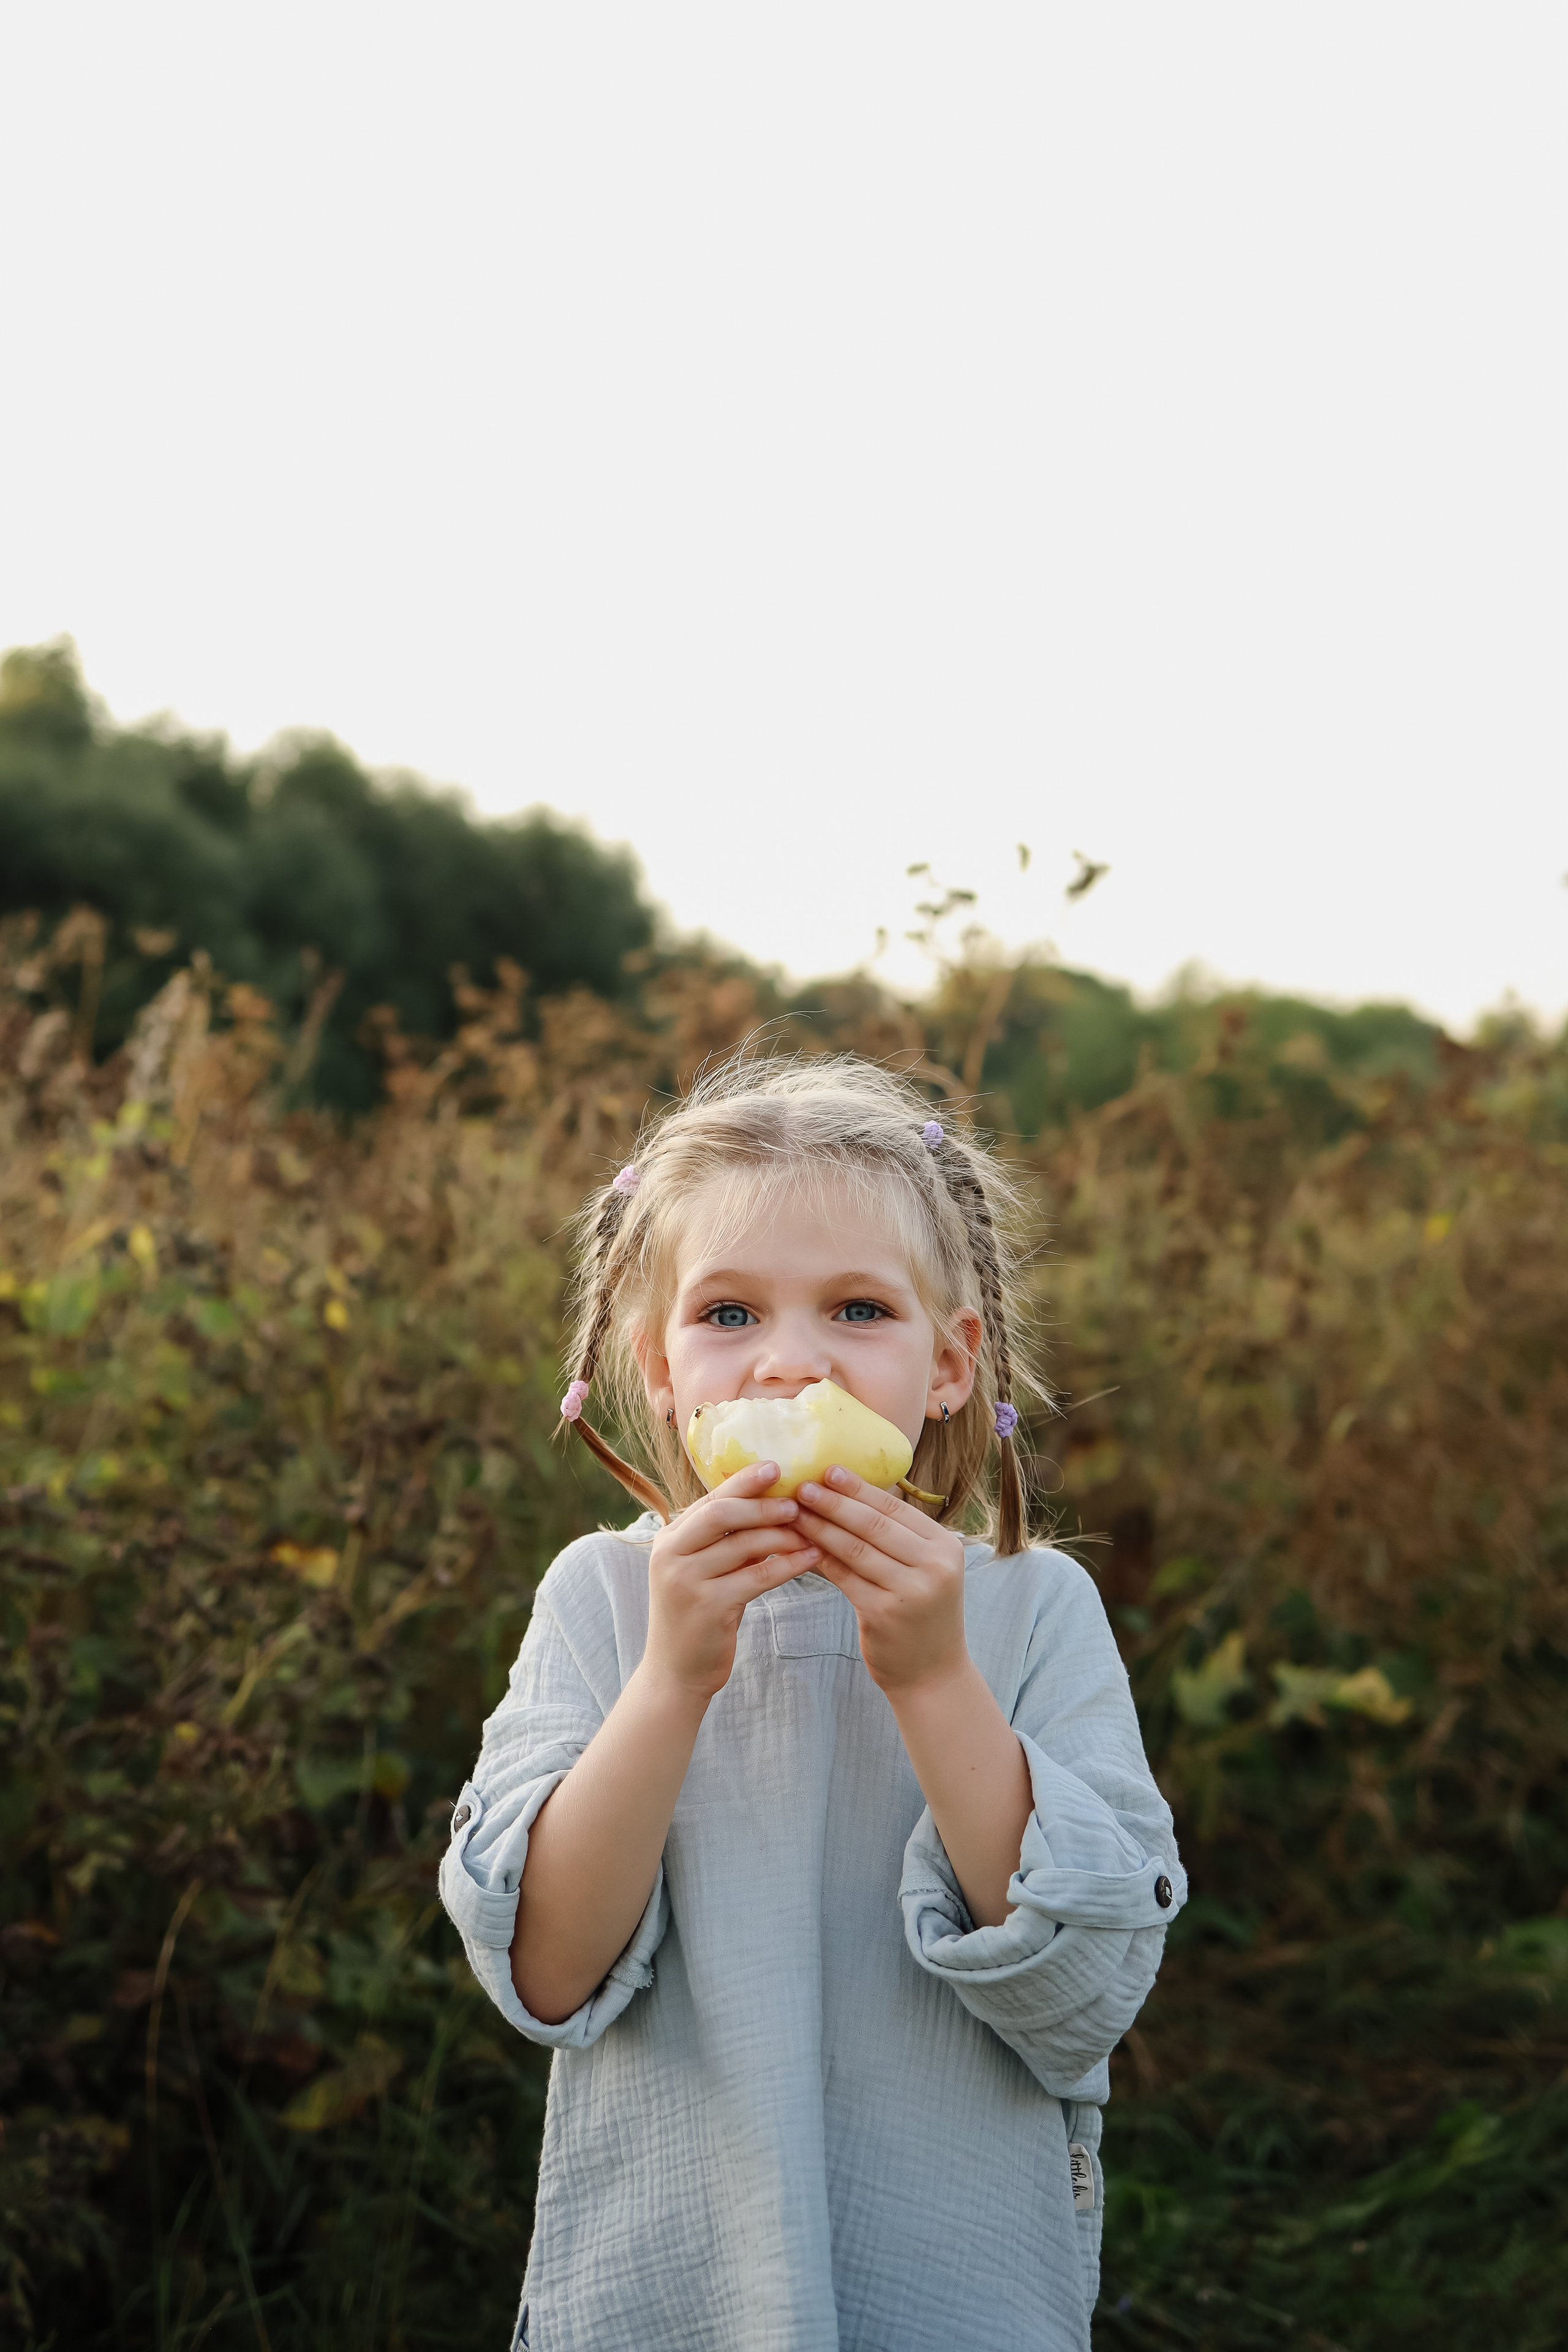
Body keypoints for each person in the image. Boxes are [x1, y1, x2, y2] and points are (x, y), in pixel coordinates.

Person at [440, 1055, 1185, 2351]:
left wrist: (931, 1678)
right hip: (674, 2280)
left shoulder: (1026, 1610)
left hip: (952, 2277)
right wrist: (672, 1678)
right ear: (657, 1371)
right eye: (727, 1315)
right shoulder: (604, 1603)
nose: (790, 1367)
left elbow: (1085, 1988)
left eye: (854, 1310)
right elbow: (545, 1972)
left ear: (950, 1363)